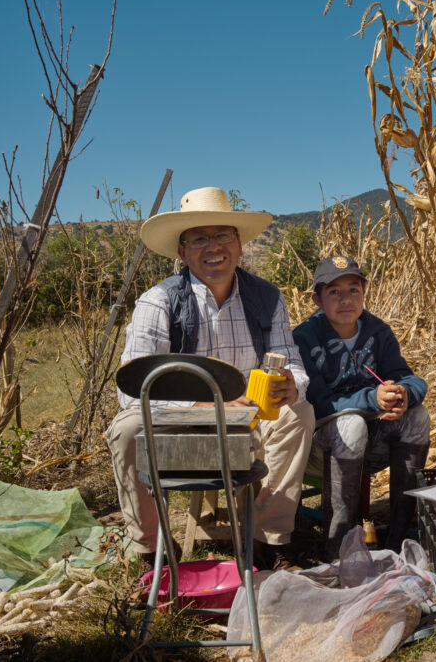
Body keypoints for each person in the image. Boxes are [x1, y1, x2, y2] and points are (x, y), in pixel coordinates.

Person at [106, 186, 315, 572]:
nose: (212, 246)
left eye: (222, 235)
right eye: (198, 238)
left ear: (239, 245)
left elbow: (293, 361)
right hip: (181, 430)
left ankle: (267, 540)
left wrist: (291, 384)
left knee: (298, 413)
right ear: (182, 252)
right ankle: (152, 550)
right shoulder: (159, 302)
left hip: (247, 425)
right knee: (127, 428)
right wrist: (202, 407)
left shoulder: (267, 298)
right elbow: (133, 392)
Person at [293, 256, 430, 558]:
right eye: (334, 292)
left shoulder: (377, 332)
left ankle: (398, 536)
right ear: (317, 298)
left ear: (364, 293)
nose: (346, 300)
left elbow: (409, 377)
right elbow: (316, 402)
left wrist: (405, 393)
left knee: (417, 416)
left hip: (371, 446)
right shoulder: (304, 338)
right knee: (351, 424)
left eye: (354, 290)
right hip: (319, 448)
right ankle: (338, 546)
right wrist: (372, 399)